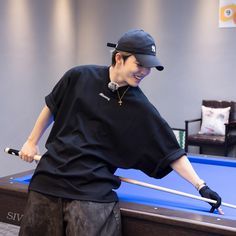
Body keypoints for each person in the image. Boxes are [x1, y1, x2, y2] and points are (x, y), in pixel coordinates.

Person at [19, 29, 222, 236]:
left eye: (149, 67)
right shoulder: (78, 76)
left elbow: (171, 152)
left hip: (91, 193)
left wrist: (201, 187)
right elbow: (52, 107)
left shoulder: (140, 107)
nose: (144, 71)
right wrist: (31, 141)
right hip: (47, 181)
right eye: (139, 64)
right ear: (119, 58)